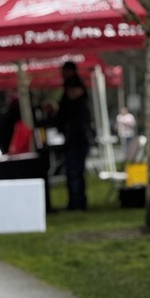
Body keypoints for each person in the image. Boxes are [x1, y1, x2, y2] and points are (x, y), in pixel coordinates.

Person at [55, 61, 93, 210]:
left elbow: (72, 98)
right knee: (74, 171)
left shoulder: (75, 85)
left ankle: (77, 202)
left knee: (74, 171)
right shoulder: (72, 87)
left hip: (78, 137)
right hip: (75, 137)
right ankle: (76, 201)